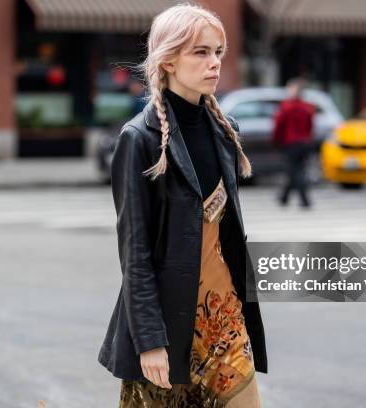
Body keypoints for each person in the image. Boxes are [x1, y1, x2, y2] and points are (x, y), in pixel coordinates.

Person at [97, 3, 268, 407]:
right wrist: (150, 341)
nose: (214, 63)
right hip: (168, 326)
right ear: (168, 59)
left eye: (218, 52)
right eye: (201, 52)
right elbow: (135, 253)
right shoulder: (139, 139)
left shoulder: (226, 133)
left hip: (225, 320)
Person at [272, 78, 316, 208]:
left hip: (291, 143)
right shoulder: (308, 107)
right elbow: (310, 126)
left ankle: (305, 200)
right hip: (304, 143)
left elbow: (279, 125)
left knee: (295, 171)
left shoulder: (286, 107)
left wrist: (276, 140)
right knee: (295, 170)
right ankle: (284, 197)